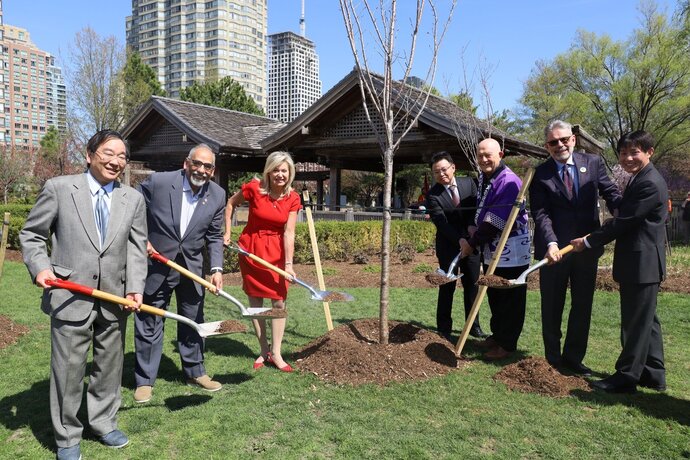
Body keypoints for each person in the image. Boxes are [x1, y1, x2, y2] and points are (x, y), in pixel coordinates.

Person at [19, 130, 147, 460]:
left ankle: (104, 421)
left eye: (122, 156)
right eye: (108, 153)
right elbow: (32, 235)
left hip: (115, 297)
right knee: (68, 370)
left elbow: (136, 249)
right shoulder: (60, 189)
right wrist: (40, 268)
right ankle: (67, 436)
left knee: (110, 366)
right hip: (69, 293)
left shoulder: (132, 199)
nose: (116, 161)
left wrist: (135, 286)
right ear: (89, 155)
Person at [571, 130, 668, 393]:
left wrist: (589, 240)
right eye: (623, 153)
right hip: (642, 262)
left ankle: (626, 376)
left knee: (635, 322)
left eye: (634, 152)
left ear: (649, 151)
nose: (627, 158)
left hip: (642, 263)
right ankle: (653, 374)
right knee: (647, 320)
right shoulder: (642, 178)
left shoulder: (648, 183)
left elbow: (624, 222)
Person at [133, 144, 226, 403]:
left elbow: (215, 236)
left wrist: (216, 269)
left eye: (207, 166)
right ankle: (145, 380)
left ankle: (195, 371)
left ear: (213, 170)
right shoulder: (160, 182)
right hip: (157, 264)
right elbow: (131, 206)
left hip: (192, 267)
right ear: (186, 163)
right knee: (150, 320)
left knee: (193, 320)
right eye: (197, 163)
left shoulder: (217, 195)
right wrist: (141, 237)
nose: (201, 170)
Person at [529, 120, 621, 376]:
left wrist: (623, 211)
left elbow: (610, 191)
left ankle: (574, 359)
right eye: (553, 142)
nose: (559, 145)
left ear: (573, 139)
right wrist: (551, 243)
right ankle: (553, 360)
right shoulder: (541, 174)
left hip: (587, 248)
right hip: (554, 252)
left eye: (563, 139)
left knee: (582, 305)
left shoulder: (592, 163)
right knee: (552, 305)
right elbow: (541, 212)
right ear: (547, 146)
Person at [223, 151, 301, 372]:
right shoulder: (254, 188)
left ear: (290, 173)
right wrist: (227, 233)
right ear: (268, 170)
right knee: (256, 301)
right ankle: (263, 349)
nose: (279, 174)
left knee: (278, 302)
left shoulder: (293, 198)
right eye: (275, 169)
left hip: (277, 255)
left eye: (284, 170)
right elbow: (230, 204)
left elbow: (289, 233)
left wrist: (288, 265)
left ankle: (276, 353)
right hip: (251, 251)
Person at [459, 138, 531, 360]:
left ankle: (507, 344)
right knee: (494, 292)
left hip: (512, 249)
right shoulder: (486, 177)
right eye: (480, 155)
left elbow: (496, 221)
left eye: (488, 155)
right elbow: (483, 210)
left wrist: (472, 244)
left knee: (510, 297)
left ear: (500, 155)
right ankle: (498, 335)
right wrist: (474, 227)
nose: (483, 159)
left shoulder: (508, 181)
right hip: (493, 247)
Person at [425, 151, 486, 342]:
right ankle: (444, 328)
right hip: (448, 245)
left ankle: (473, 326)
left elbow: (476, 210)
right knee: (447, 287)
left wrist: (470, 234)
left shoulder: (470, 183)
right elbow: (442, 223)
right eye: (436, 172)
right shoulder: (433, 195)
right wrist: (460, 241)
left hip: (472, 242)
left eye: (444, 169)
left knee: (472, 286)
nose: (441, 174)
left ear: (453, 168)